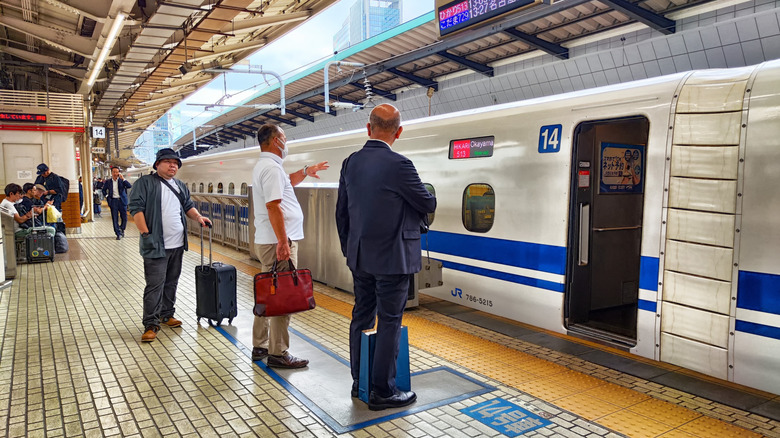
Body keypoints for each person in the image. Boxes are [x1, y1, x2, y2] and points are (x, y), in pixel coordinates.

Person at [335, 104, 436, 410]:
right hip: (393, 259)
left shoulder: (350, 163)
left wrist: (350, 249)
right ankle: (383, 390)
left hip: (360, 257)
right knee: (389, 320)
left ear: (369, 128)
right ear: (398, 132)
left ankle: (360, 381)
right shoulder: (400, 165)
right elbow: (426, 202)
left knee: (361, 316)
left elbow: (342, 213)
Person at [251, 123, 329, 368]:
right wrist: (283, 242)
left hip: (269, 240)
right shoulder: (271, 169)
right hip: (278, 242)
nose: (286, 141)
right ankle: (278, 353)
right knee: (281, 295)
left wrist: (306, 170)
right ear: (276, 141)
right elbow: (274, 206)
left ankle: (260, 345)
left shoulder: (268, 166)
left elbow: (287, 183)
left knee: (268, 292)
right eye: (284, 137)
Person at [128, 148, 211, 342]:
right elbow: (136, 208)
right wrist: (145, 232)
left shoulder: (180, 185)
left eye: (176, 163)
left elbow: (188, 205)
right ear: (157, 164)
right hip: (155, 244)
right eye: (168, 162)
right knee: (155, 285)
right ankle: (151, 323)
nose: (173, 165)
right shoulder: (145, 183)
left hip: (177, 244)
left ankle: (166, 314)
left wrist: (199, 217)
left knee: (171, 282)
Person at [103, 167, 133, 240]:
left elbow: (129, 186)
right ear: (111, 173)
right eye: (114, 172)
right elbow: (104, 190)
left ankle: (122, 228)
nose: (115, 174)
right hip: (113, 201)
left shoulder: (122, 181)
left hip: (122, 201)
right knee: (115, 218)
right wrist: (107, 197)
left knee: (124, 217)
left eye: (117, 172)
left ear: (119, 173)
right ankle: (118, 233)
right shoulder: (108, 181)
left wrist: (123, 179)